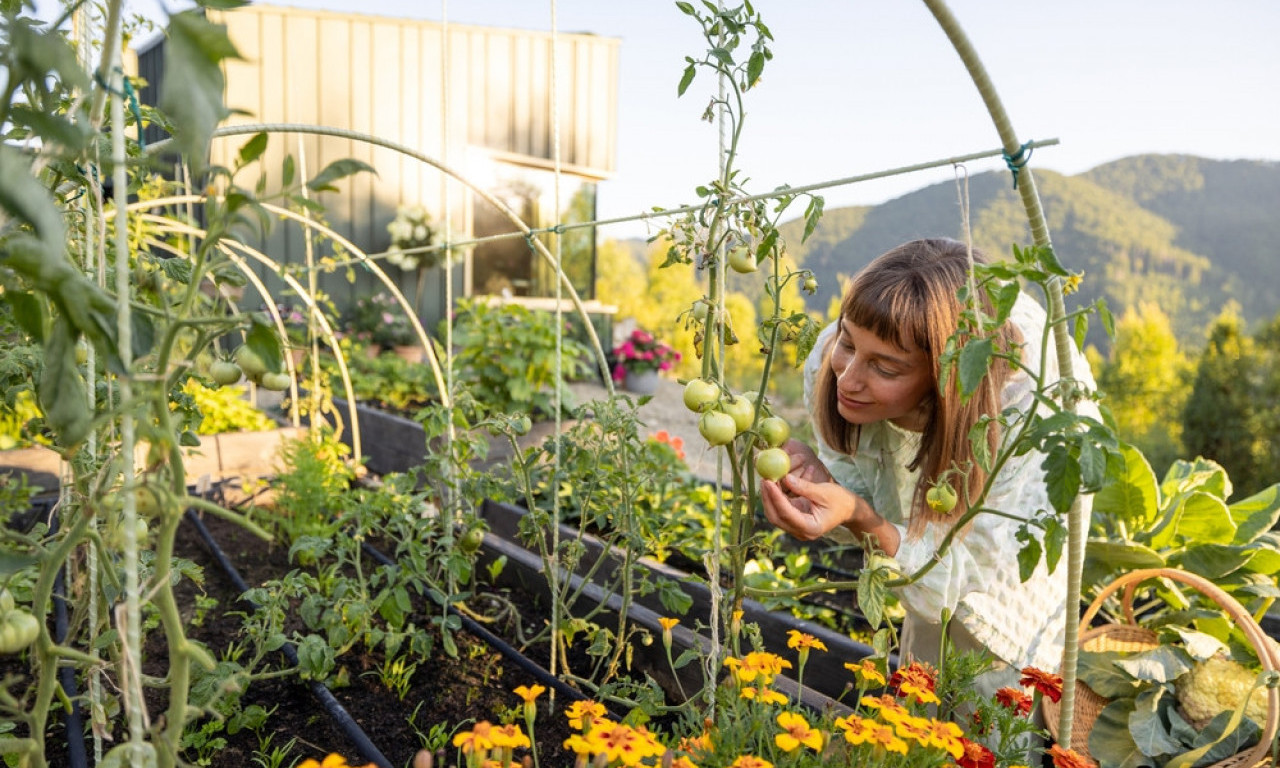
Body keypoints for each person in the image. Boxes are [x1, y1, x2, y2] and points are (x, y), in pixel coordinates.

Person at [759, 237, 1099, 705]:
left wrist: (860, 515)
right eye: (847, 343)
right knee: (924, 680)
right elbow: (876, 506)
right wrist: (830, 488)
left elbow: (966, 573)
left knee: (991, 693)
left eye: (886, 368)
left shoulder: (1020, 414)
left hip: (1005, 549)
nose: (849, 376)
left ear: (942, 381)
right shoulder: (838, 356)